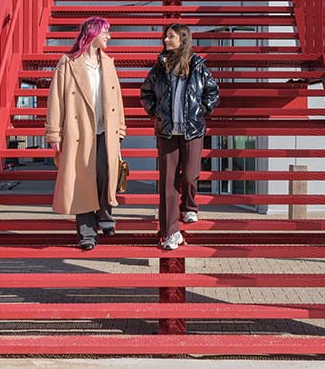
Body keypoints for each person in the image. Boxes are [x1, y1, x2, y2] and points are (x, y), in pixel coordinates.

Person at [45, 16, 127, 251]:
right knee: (82, 181)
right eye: (105, 32)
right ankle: (87, 233)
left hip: (105, 130)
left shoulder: (108, 63)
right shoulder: (68, 63)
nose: (109, 36)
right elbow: (56, 100)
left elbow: (117, 98)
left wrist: (120, 128)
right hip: (79, 132)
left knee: (106, 174)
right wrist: (54, 134)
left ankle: (105, 216)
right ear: (93, 34)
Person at [140, 23, 219, 251]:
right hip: (167, 132)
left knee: (190, 176)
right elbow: (146, 92)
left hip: (192, 130)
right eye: (165, 36)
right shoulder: (160, 66)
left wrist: (201, 110)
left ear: (183, 39)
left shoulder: (198, 65)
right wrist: (156, 111)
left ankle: (189, 207)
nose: (166, 40)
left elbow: (212, 92)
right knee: (168, 184)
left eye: (171, 37)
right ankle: (170, 232)